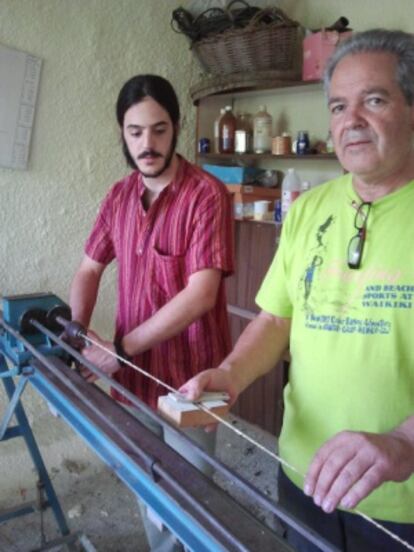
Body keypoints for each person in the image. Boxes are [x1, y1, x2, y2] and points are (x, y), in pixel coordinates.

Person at [180, 29, 414, 552]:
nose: (350, 120)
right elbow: (277, 320)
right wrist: (231, 374)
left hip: (403, 503)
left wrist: (404, 442)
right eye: (337, 106)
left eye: (373, 100)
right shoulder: (308, 208)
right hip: (304, 477)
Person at [69, 74, 234, 551]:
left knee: (191, 501)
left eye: (159, 129)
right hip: (133, 378)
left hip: (192, 381)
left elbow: (202, 294)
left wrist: (117, 349)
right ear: (122, 133)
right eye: (135, 131)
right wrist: (80, 338)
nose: (148, 144)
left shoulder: (207, 195)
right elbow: (88, 269)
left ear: (176, 127)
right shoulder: (119, 196)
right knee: (148, 489)